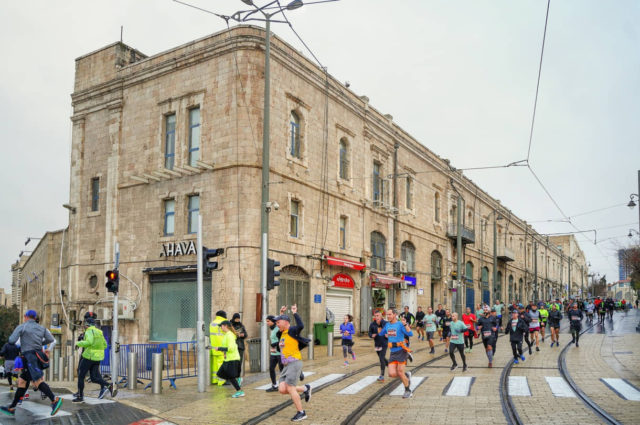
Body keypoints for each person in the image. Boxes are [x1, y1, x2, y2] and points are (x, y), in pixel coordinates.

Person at [0, 310, 63, 418]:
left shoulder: (23, 326)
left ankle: (54, 400)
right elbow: (50, 339)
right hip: (37, 356)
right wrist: (38, 343)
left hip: (29, 357)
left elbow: (11, 340)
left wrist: (25, 341)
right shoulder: (42, 328)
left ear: (25, 317)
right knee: (22, 382)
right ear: (35, 318)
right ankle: (12, 407)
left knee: (37, 381)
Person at [275, 305, 312, 422]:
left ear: (286, 322)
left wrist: (295, 313)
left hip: (295, 362)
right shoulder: (282, 334)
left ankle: (301, 412)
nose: (277, 324)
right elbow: (276, 326)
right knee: (282, 389)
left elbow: (301, 325)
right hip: (286, 365)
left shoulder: (292, 330)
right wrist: (280, 313)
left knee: (290, 388)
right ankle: (305, 388)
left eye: (279, 322)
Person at [72, 312, 116, 402]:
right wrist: (97, 348)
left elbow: (89, 342)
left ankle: (80, 396)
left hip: (89, 357)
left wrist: (78, 343)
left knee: (81, 375)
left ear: (86, 324)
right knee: (94, 378)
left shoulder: (88, 331)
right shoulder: (99, 332)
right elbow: (104, 345)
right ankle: (109, 385)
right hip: (97, 358)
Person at [379, 308, 413, 399]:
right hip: (393, 352)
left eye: (389, 314)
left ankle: (408, 390)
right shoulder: (387, 325)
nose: (388, 316)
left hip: (401, 351)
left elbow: (410, 334)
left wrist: (405, 324)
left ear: (394, 315)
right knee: (391, 374)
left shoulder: (400, 324)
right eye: (387, 315)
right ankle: (407, 375)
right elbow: (381, 333)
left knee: (400, 372)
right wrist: (378, 323)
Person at [211, 320, 244, 398]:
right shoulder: (227, 334)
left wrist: (219, 348)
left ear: (225, 326)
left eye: (221, 326)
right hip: (228, 359)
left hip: (232, 359)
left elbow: (231, 348)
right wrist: (223, 351)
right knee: (220, 374)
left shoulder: (229, 335)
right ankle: (238, 379)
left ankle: (239, 391)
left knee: (231, 377)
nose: (220, 327)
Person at [368, 310, 388, 381]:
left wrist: (387, 335)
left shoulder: (385, 323)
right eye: (375, 316)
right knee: (382, 358)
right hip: (377, 344)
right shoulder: (372, 324)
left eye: (378, 316)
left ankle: (382, 375)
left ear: (381, 316)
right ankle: (390, 366)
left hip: (384, 343)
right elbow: (369, 333)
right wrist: (371, 335)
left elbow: (391, 331)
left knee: (381, 358)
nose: (376, 317)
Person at [210, 310, 227, 385]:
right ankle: (221, 381)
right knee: (222, 364)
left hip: (214, 348)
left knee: (215, 365)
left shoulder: (212, 323)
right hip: (222, 348)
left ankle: (214, 380)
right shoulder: (224, 323)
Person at [266, 315, 283, 392]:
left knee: (282, 369)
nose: (267, 323)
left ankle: (284, 385)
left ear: (273, 321)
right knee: (271, 368)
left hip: (280, 352)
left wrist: (275, 344)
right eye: (266, 321)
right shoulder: (272, 329)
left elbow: (283, 340)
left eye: (268, 321)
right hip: (273, 353)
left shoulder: (278, 329)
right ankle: (274, 385)